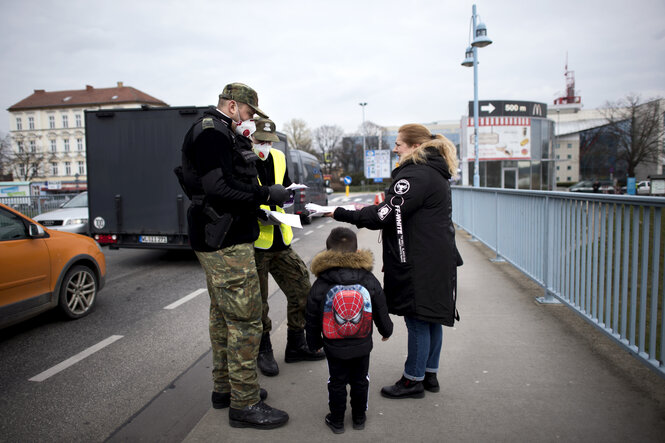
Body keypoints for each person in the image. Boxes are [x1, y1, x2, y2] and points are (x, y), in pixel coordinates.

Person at [179, 82, 291, 429]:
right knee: (245, 320)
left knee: (222, 316)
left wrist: (257, 201)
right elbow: (218, 188)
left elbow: (221, 185)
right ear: (231, 105)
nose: (249, 120)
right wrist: (266, 194)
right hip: (224, 238)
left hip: (219, 234)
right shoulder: (213, 133)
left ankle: (224, 389)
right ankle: (245, 403)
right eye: (247, 112)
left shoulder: (219, 132)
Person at [330, 124, 462, 399]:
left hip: (420, 259)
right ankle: (429, 374)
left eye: (399, 143)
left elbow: (383, 214)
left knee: (417, 318)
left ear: (415, 146)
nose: (395, 148)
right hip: (435, 256)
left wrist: (342, 213)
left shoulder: (416, 173)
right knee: (431, 317)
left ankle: (412, 380)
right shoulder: (434, 171)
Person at [249, 117, 325, 377]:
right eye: (259, 140)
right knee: (259, 305)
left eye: (269, 142)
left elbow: (287, 188)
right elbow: (240, 196)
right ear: (249, 137)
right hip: (255, 244)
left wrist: (290, 196)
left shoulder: (278, 158)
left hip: (281, 239)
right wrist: (258, 210)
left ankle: (296, 344)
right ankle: (264, 350)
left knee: (303, 289)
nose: (265, 146)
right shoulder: (242, 161)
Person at [305, 227, 393, 434]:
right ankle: (359, 418)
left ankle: (336, 422)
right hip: (362, 343)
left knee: (336, 382)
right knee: (360, 380)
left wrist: (314, 343)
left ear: (328, 252)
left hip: (333, 345)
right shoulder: (367, 279)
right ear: (356, 252)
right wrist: (386, 329)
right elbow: (380, 305)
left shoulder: (321, 282)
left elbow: (311, 316)